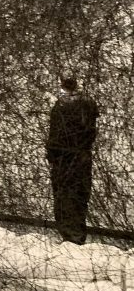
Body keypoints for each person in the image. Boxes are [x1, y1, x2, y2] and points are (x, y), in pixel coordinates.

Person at [45, 73, 98, 245]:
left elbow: (56, 137)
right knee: (79, 197)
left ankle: (71, 237)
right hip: (80, 158)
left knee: (65, 198)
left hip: (65, 159)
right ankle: (75, 236)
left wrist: (53, 154)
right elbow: (89, 133)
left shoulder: (61, 107)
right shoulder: (87, 105)